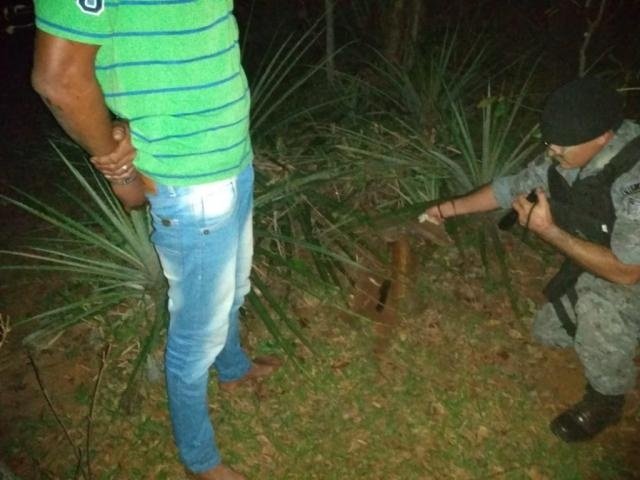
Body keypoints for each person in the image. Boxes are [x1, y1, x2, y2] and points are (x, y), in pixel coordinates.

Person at [31, 1, 279, 478]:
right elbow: (59, 78)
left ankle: (233, 368)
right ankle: (200, 460)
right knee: (196, 336)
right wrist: (118, 165)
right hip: (189, 183)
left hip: (233, 158)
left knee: (234, 288)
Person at [424, 77, 640, 443]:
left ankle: (607, 400)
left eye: (562, 146)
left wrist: (549, 231)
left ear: (603, 138)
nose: (552, 151)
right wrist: (446, 209)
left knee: (599, 306)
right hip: (609, 264)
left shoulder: (633, 177)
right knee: (548, 331)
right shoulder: (565, 155)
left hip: (628, 273)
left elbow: (628, 272)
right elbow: (508, 188)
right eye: (549, 143)